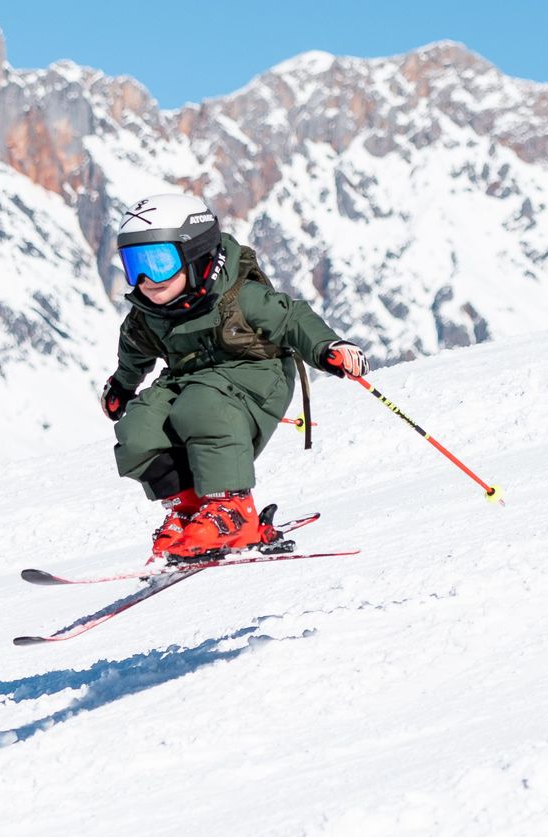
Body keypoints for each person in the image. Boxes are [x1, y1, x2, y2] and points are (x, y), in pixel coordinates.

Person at [100, 193, 367, 562]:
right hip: (190, 381)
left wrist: (328, 348)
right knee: (138, 431)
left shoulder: (239, 297)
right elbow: (134, 351)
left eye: (158, 263)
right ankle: (192, 510)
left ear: (195, 256)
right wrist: (122, 386)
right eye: (134, 265)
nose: (146, 279)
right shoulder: (150, 315)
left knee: (201, 406)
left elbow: (292, 319)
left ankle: (232, 510)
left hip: (257, 377)